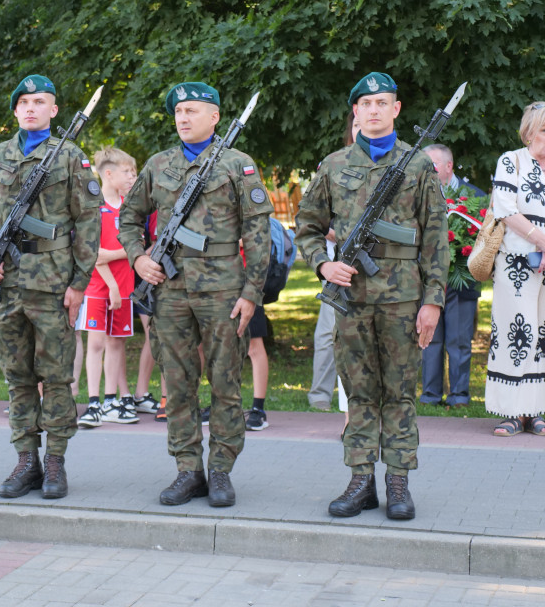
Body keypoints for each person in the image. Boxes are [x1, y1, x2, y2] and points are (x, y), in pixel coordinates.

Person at [295, 72, 448, 521]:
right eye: (367, 104)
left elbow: (436, 239)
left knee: (399, 394)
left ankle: (397, 481)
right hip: (353, 298)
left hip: (403, 300)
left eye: (383, 102)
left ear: (396, 109)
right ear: (356, 112)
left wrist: (433, 300)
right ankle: (360, 479)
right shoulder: (334, 165)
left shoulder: (418, 166)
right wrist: (323, 265)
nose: (375, 110)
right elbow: (305, 227)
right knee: (359, 393)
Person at [118, 82, 273, 507]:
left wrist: (251, 292)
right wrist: (137, 258)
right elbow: (128, 219)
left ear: (215, 117)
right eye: (179, 111)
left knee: (224, 382)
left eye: (192, 110)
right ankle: (188, 469)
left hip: (223, 287)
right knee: (178, 383)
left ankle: (220, 470)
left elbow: (259, 236)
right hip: (169, 290)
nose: (183, 118)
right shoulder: (159, 164)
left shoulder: (238, 165)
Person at [0, 74, 101, 500]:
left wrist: (79, 282)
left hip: (54, 283)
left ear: (54, 110)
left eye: (41, 102)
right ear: (16, 110)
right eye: (25, 102)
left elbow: (89, 222)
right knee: (18, 377)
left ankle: (55, 461)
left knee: (56, 377)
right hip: (7, 281)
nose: (32, 108)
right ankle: (26, 460)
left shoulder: (71, 156)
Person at [485, 102, 545, 437]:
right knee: (519, 330)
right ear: (528, 132)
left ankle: (538, 411)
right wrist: (542, 241)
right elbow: (505, 209)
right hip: (518, 260)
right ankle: (513, 412)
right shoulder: (510, 161)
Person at [419, 143, 487, 408]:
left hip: (462, 279)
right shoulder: (417, 195)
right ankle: (430, 395)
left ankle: (458, 396)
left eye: (432, 166)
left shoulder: (475, 197)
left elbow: (485, 237)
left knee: (459, 341)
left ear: (449, 166)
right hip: (428, 280)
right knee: (430, 338)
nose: (427, 171)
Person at [78, 147, 140, 427]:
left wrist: (115, 255)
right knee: (97, 343)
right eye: (127, 172)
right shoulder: (93, 207)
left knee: (117, 344)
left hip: (125, 287)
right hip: (99, 287)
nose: (132, 177)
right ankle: (93, 404)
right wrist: (112, 285)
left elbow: (135, 246)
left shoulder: (130, 206)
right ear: (109, 173)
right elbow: (94, 255)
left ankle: (112, 400)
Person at [309, 114, 359, 412]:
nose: (360, 129)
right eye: (355, 125)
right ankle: (319, 396)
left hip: (378, 274)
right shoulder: (331, 167)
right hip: (335, 269)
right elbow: (314, 217)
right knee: (326, 335)